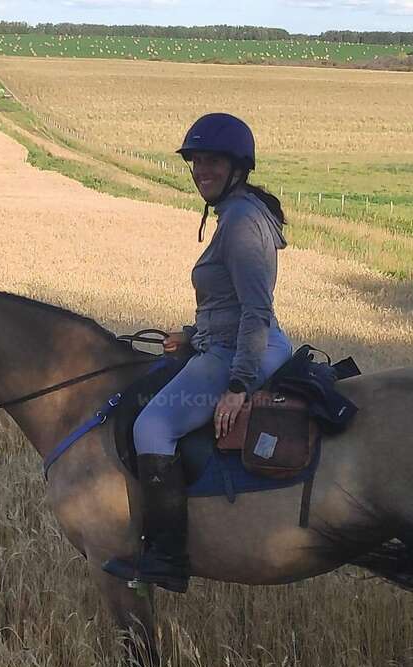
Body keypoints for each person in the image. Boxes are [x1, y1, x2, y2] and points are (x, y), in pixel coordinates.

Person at [103, 112, 293, 593]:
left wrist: (237, 386)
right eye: (196, 161)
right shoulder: (235, 213)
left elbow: (255, 312)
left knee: (153, 425)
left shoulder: (244, 222)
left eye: (212, 161)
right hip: (222, 345)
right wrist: (191, 335)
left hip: (241, 353)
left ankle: (165, 557)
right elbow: (225, 303)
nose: (201, 170)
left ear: (237, 167)